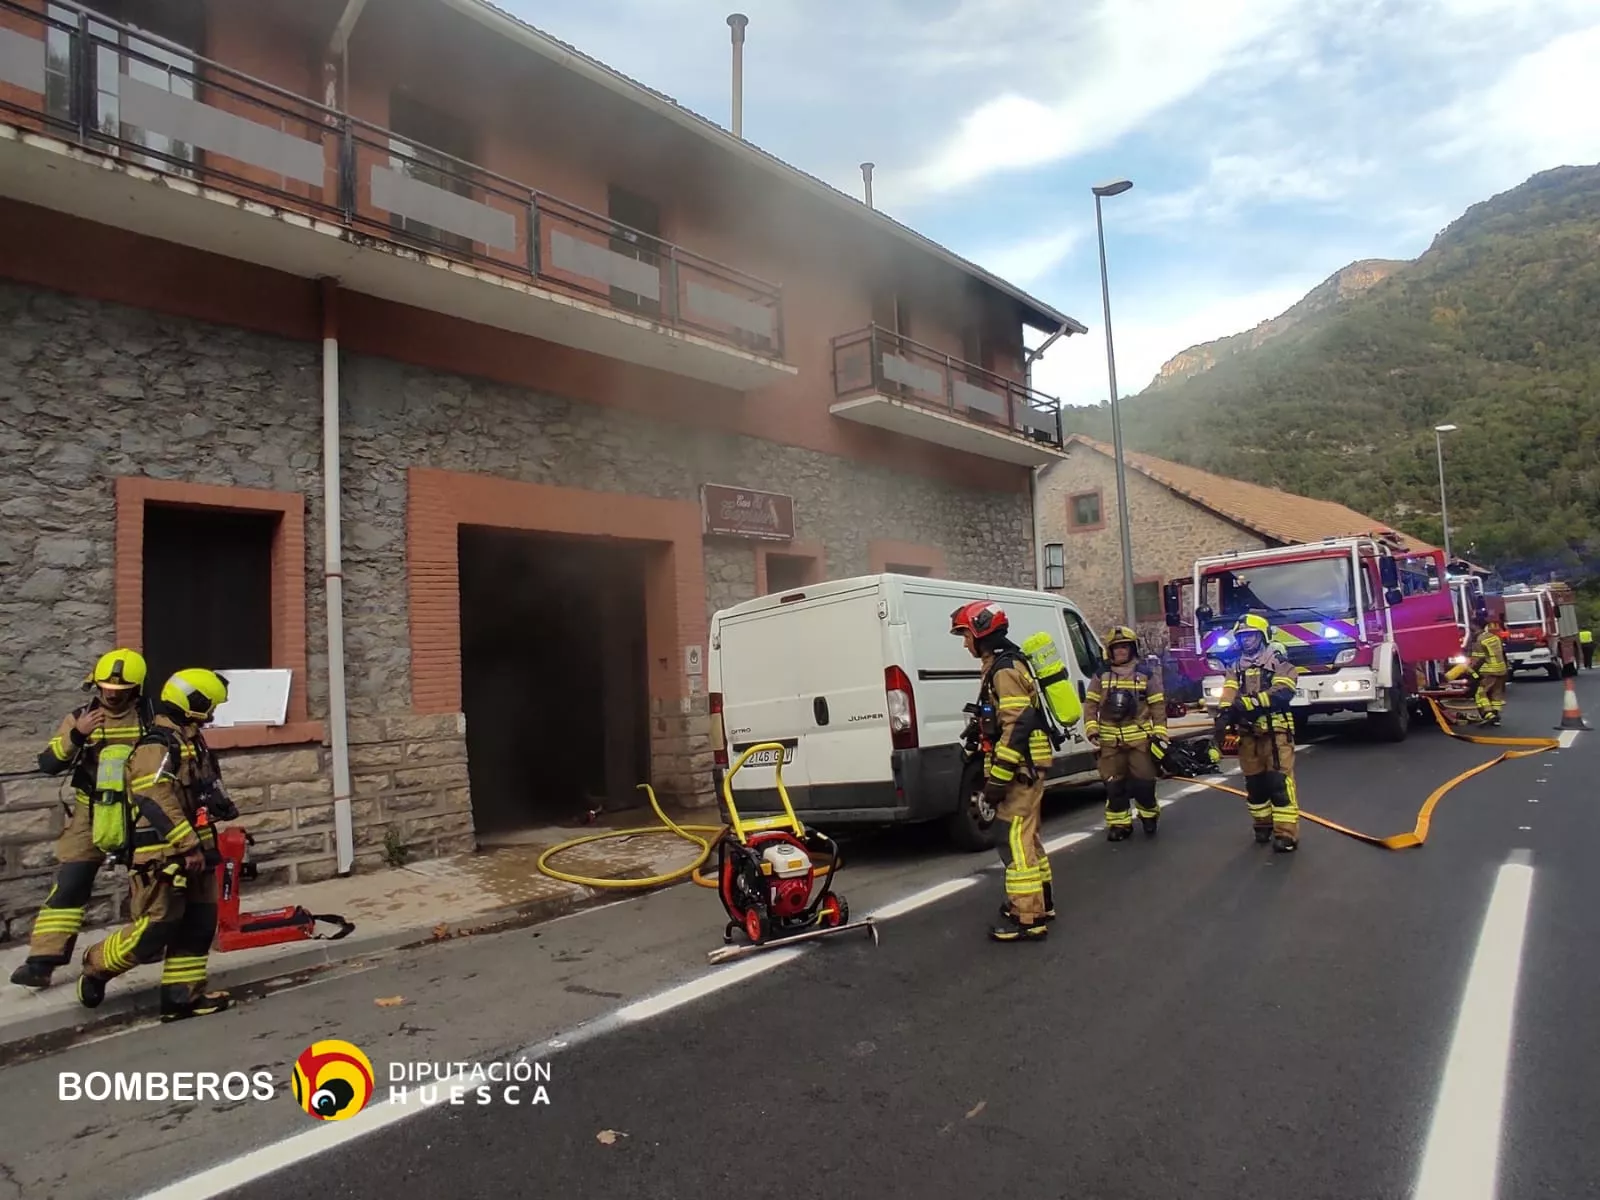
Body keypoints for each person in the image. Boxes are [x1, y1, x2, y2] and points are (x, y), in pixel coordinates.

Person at [77, 668, 236, 1021]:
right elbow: (152, 796)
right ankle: (96, 964)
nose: (212, 713)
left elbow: (201, 792)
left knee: (198, 925)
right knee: (156, 926)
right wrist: (188, 846)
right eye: (210, 705)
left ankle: (181, 999)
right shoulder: (158, 743)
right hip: (162, 854)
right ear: (195, 702)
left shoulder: (190, 740)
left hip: (196, 851)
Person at [10, 649, 152, 990]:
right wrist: (77, 736)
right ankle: (41, 963)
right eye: (106, 690)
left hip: (138, 812)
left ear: (135, 690)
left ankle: (146, 944)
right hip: (91, 814)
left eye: (120, 692)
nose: (112, 696)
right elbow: (49, 764)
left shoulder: (149, 720)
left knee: (150, 881)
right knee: (71, 882)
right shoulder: (81, 717)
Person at [950, 601, 1054, 942]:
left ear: (982, 632)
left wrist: (999, 778)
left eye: (965, 635)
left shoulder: (1004, 670)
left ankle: (1027, 917)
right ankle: (1041, 903)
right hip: (1025, 767)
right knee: (1027, 837)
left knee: (1012, 839)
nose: (964, 643)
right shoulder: (1002, 664)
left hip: (1019, 769)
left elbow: (1016, 726)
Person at [1215, 614, 1302, 852]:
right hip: (1248, 735)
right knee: (1255, 784)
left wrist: (1251, 703)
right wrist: (1224, 713)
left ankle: (1286, 834)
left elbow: (1284, 691)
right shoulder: (1235, 667)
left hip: (1276, 733)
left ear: (1262, 636)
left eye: (1251, 636)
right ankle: (1262, 825)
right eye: (1242, 637)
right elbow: (1229, 691)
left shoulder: (1278, 661)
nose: (1246, 641)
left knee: (1278, 782)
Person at [1083, 626, 1167, 841]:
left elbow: (1157, 705)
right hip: (1110, 742)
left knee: (1144, 784)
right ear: (1109, 651)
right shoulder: (1101, 676)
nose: (1120, 651)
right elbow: (1090, 704)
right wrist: (1092, 729)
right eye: (1116, 648)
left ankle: (1149, 815)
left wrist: (1159, 733)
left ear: (1132, 649)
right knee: (1114, 785)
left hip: (1139, 740)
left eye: (1125, 647)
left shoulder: (1145, 675)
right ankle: (1120, 824)